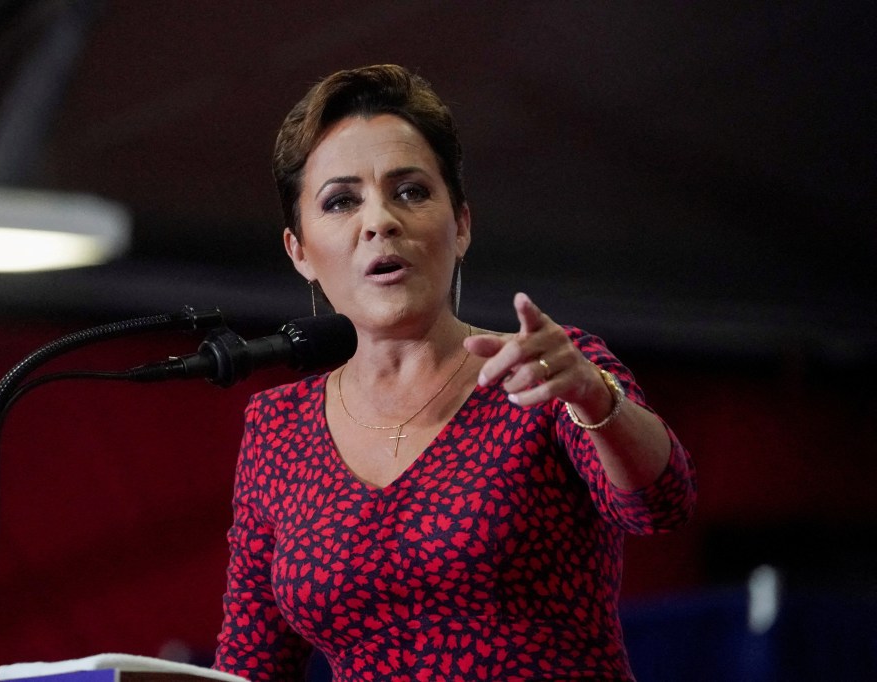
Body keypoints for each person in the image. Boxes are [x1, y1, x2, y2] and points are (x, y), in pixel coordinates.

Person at [213, 64, 696, 682]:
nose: (379, 220)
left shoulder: (547, 370)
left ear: (461, 224)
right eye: (341, 201)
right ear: (299, 250)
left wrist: (592, 398)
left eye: (410, 191)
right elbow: (251, 665)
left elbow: (662, 505)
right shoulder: (277, 429)